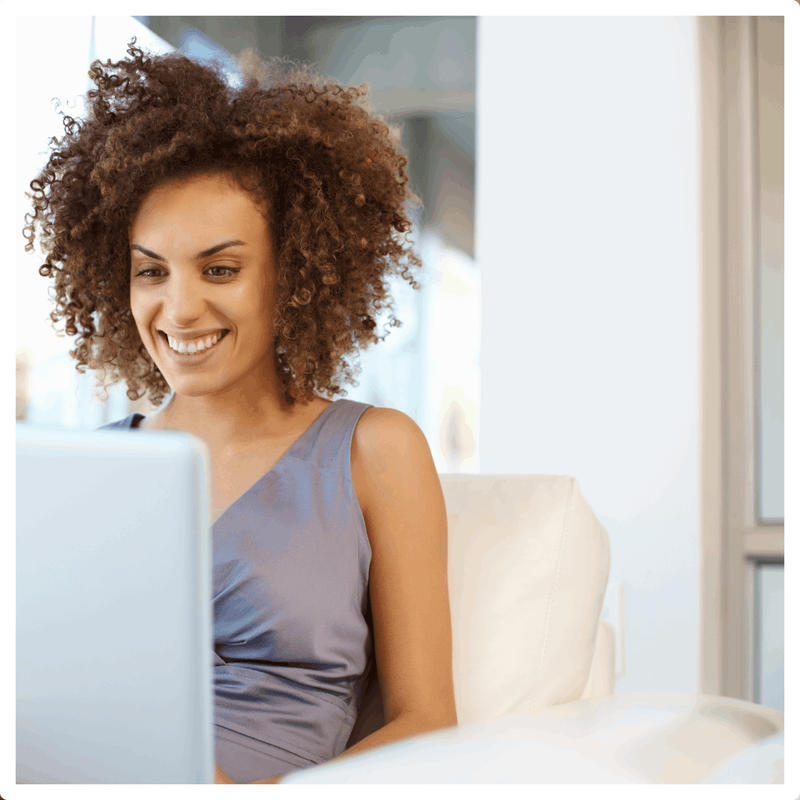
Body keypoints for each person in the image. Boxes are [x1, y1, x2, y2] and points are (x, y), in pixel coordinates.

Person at [24, 40, 457, 784]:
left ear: (291, 275)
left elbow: (428, 722)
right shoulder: (89, 472)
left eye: (220, 269)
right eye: (151, 271)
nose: (180, 307)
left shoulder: (375, 450)